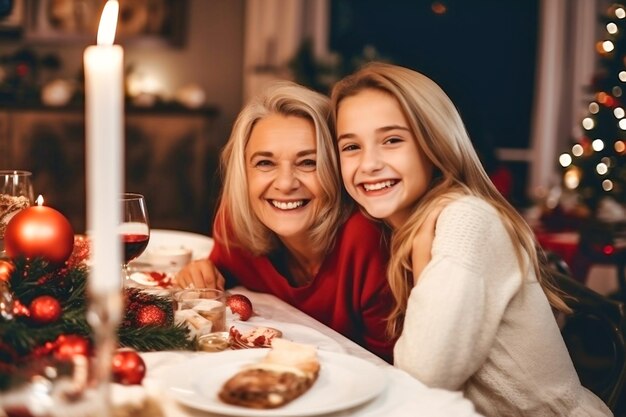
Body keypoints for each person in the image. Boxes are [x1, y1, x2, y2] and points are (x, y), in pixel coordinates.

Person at [331, 62, 612, 416]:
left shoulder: (466, 219)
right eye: (351, 147)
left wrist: (421, 256)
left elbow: (424, 378)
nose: (369, 163)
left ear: (434, 143)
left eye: (392, 140)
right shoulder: (397, 226)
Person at [176, 81, 395, 362]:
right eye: (265, 163)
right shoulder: (237, 220)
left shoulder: (365, 239)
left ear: (336, 169)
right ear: (244, 172)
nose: (285, 183)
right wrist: (201, 270)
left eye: (308, 162)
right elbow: (218, 280)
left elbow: (391, 371)